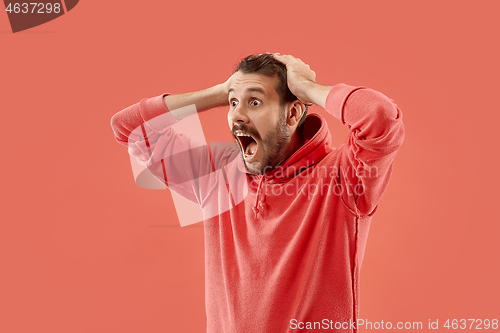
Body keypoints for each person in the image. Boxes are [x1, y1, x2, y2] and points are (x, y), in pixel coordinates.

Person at [110, 53, 405, 332]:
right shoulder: (219, 176)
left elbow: (381, 119)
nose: (237, 115)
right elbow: (129, 128)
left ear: (292, 114)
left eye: (254, 103)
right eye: (233, 103)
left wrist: (307, 88)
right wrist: (221, 91)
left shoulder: (342, 177)